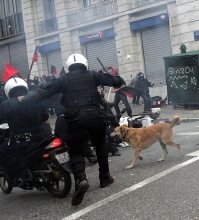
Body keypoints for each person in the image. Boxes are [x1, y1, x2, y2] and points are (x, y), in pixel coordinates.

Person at [18, 53, 123, 206]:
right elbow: (116, 81)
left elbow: (44, 92)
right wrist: (116, 78)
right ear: (84, 64)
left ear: (69, 66)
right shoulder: (93, 75)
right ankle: (105, 177)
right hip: (95, 117)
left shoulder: (63, 79)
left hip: (75, 119)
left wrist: (25, 99)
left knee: (76, 150)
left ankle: (81, 179)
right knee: (100, 145)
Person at [0, 77, 52, 176]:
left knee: (3, 152)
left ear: (8, 91)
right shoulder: (35, 98)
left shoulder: (5, 105)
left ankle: (14, 175)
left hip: (22, 139)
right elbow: (45, 116)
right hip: (43, 134)